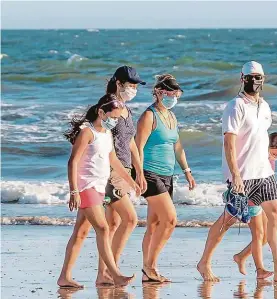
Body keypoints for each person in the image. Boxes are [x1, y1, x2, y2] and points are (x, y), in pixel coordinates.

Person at [197, 61, 277, 282]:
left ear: (263, 80)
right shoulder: (235, 106)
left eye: (258, 77)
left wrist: (272, 156)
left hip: (264, 172)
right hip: (243, 175)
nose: (254, 81)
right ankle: (204, 262)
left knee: (276, 214)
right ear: (242, 78)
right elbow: (229, 141)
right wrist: (235, 174)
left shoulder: (264, 106)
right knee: (227, 221)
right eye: (249, 77)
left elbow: (260, 137)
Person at [57, 94, 139, 288]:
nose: (115, 121)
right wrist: (74, 191)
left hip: (100, 187)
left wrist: (131, 181)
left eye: (118, 118)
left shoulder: (106, 134)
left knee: (80, 232)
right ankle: (114, 274)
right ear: (101, 112)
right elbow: (73, 162)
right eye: (113, 117)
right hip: (86, 186)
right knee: (102, 228)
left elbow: (114, 161)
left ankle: (64, 277)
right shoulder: (87, 132)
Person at [136, 74, 196, 282]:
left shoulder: (171, 116)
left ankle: (148, 271)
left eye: (174, 93)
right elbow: (138, 147)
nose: (171, 96)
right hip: (149, 173)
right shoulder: (149, 116)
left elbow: (177, 146)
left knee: (153, 223)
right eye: (167, 93)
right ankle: (149, 267)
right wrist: (137, 175)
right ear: (158, 93)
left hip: (167, 174)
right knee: (170, 220)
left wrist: (187, 170)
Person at [96, 66, 147, 286]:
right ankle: (112, 270)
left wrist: (139, 172)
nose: (133, 89)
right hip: (109, 172)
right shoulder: (109, 105)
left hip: (124, 171)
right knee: (130, 219)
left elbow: (132, 144)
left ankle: (103, 274)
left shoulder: (126, 108)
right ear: (118, 83)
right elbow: (101, 140)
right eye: (130, 85)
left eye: (136, 86)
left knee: (114, 223)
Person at [233, 133, 277, 277]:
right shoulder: (259, 157)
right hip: (251, 199)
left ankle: (241, 256)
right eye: (276, 152)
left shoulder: (270, 158)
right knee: (258, 235)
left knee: (265, 237)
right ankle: (260, 270)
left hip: (263, 200)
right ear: (269, 147)